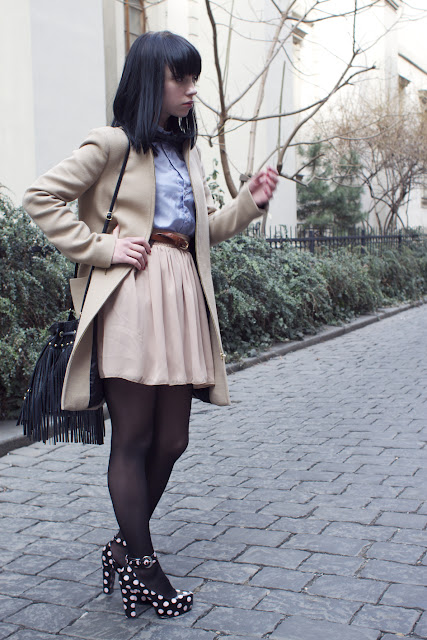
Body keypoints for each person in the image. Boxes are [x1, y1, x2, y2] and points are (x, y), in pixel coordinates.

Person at [23, 31, 278, 619]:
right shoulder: (112, 144)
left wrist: (250, 202)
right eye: (179, 79)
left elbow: (202, 232)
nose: (191, 90)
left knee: (172, 441)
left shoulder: (184, 151)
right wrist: (102, 248)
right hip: (132, 297)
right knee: (134, 439)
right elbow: (41, 197)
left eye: (194, 79)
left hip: (181, 296)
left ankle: (123, 548)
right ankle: (143, 564)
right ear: (148, 81)